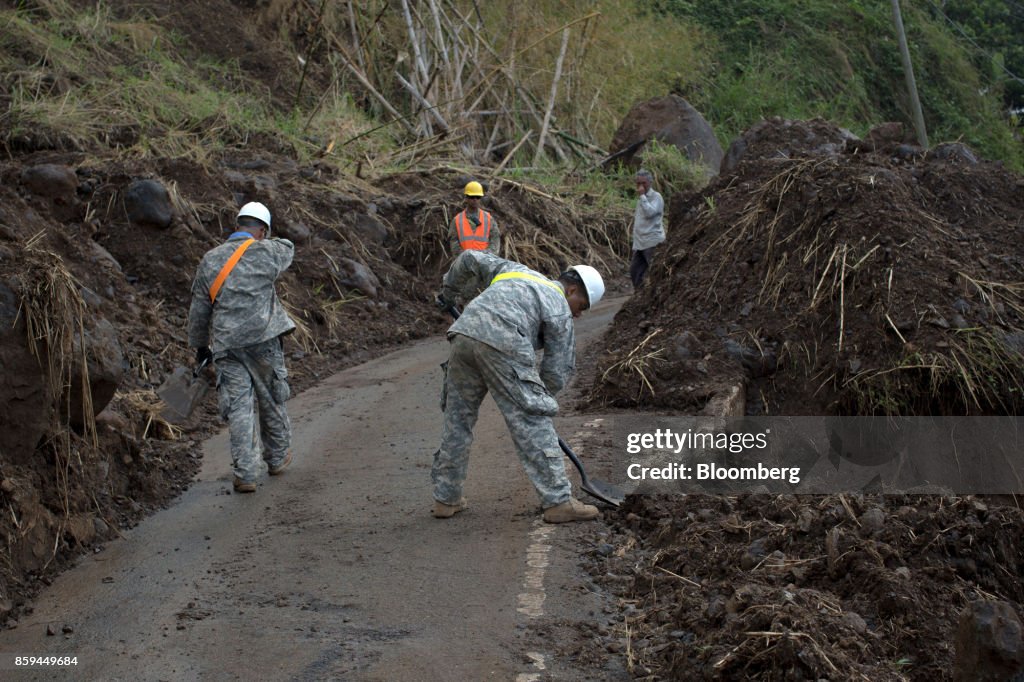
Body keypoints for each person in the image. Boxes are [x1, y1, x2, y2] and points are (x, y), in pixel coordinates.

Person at [432, 250, 605, 523]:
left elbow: (469, 258)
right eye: (581, 306)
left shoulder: (516, 270)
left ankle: (446, 497)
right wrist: (537, 397)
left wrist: (448, 295)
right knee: (534, 417)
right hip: (504, 339)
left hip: (464, 334)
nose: (579, 315)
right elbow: (557, 371)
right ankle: (558, 501)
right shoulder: (559, 307)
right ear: (571, 289)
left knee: (457, 420)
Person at [187, 202, 296, 493]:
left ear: (236, 227)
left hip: (226, 346)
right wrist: (265, 237)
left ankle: (246, 473)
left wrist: (200, 347)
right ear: (261, 231)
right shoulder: (269, 251)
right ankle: (276, 459)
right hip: (264, 341)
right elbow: (288, 246)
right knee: (271, 400)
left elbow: (199, 310)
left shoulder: (210, 260)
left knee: (239, 409)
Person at [630, 169, 665, 288]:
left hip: (652, 242)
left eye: (643, 183)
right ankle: (639, 297)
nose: (640, 186)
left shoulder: (656, 197)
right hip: (640, 243)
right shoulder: (641, 198)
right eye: (638, 183)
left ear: (650, 183)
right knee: (635, 271)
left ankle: (658, 293)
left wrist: (643, 197)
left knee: (655, 271)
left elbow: (650, 213)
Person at [449, 180, 501, 255]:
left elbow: (495, 240)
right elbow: (454, 242)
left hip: (484, 262)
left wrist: (487, 255)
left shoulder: (489, 219)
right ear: (466, 197)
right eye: (472, 197)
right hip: (465, 262)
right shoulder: (457, 220)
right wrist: (463, 256)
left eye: (478, 197)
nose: (475, 199)